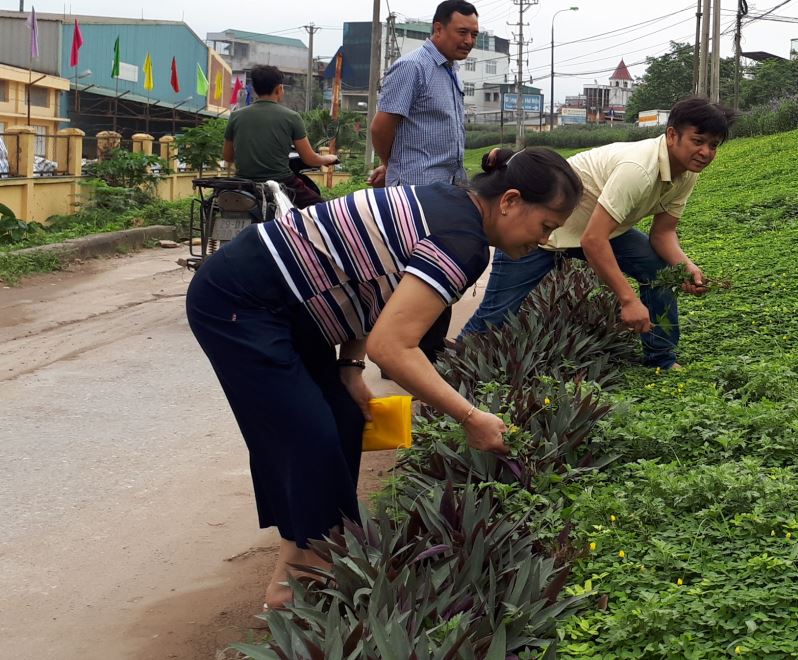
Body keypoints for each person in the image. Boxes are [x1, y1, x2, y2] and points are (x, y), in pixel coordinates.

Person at [185, 147, 581, 611]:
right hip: (240, 301)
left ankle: (298, 571)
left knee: (343, 422)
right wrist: (470, 417)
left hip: (292, 310)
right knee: (307, 435)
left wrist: (350, 369)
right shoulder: (462, 240)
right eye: (546, 227)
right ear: (510, 201)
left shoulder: (452, 207)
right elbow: (393, 349)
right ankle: (306, 577)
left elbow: (371, 279)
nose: (546, 241)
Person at [461, 97, 733, 369]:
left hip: (601, 229)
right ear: (672, 135)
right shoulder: (638, 169)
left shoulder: (686, 174)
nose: (706, 152)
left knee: (660, 273)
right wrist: (628, 300)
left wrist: (685, 267)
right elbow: (593, 240)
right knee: (496, 313)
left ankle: (661, 359)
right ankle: (451, 364)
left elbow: (663, 233)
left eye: (713, 145)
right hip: (547, 232)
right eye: (698, 141)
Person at [368, 0, 477, 361]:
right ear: (438, 29)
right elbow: (382, 126)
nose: (469, 40)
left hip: (445, 190)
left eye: (474, 34)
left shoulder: (448, 71)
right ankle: (403, 356)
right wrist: (392, 164)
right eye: (462, 32)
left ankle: (426, 350)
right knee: (416, 276)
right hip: (417, 193)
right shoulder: (412, 67)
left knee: (441, 269)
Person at [222, 65, 338, 208]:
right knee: (323, 210)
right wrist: (328, 158)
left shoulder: (235, 116)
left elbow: (227, 156)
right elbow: (309, 159)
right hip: (281, 182)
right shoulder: (292, 117)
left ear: (254, 88)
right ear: (279, 89)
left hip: (243, 183)